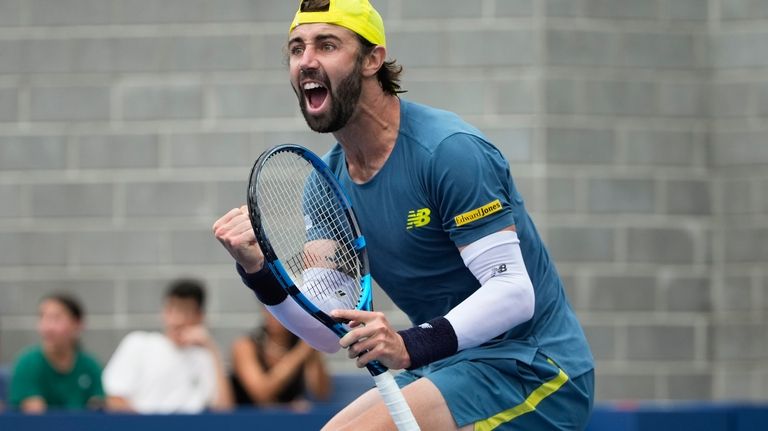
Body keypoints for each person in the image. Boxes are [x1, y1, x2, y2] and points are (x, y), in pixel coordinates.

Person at [213, 0, 595, 429]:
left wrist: (408, 345)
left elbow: (512, 291)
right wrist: (259, 269)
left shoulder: (449, 152)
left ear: (372, 59)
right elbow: (326, 331)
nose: (307, 61)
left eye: (327, 45)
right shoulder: (325, 182)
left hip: (533, 367)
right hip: (447, 366)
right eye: (297, 48)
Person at [102, 278, 233, 413]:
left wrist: (212, 348)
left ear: (200, 316)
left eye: (186, 311)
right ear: (164, 311)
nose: (177, 320)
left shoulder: (205, 357)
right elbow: (114, 399)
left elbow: (223, 411)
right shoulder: (138, 344)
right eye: (172, 310)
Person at [9, 292, 104, 412]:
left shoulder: (90, 366)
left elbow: (98, 409)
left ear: (77, 324)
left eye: (56, 318)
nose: (47, 327)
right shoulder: (27, 363)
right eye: (42, 317)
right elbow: (36, 417)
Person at [230, 307, 331, 409]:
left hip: (289, 420)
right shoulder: (246, 345)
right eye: (269, 308)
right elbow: (261, 394)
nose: (275, 315)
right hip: (248, 420)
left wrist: (314, 345)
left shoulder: (303, 343)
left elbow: (321, 393)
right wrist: (301, 352)